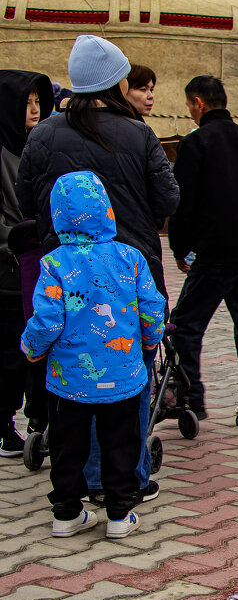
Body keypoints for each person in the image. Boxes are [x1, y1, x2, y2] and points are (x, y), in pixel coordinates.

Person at [17, 34, 178, 502]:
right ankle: (127, 481)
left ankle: (81, 479)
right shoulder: (140, 134)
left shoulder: (43, 134)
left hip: (63, 279)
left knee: (72, 374)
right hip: (133, 272)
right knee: (130, 375)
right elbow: (168, 199)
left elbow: (29, 201)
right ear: (116, 82)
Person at [20, 172, 165, 538]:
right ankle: (119, 513)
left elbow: (48, 319)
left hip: (69, 380)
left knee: (69, 445)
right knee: (122, 441)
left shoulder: (54, 263)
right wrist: (151, 340)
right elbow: (151, 306)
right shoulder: (130, 257)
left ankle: (67, 513)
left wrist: (32, 349)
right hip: (124, 375)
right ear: (107, 209)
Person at [168, 76, 238, 428]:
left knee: (185, 326)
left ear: (198, 103)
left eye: (189, 106)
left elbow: (183, 204)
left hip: (212, 255)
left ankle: (190, 398)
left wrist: (181, 247)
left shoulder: (195, 144)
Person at [0, 69, 52, 457]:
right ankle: (5, 426)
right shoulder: (2, 152)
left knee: (40, 349)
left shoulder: (40, 146)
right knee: (10, 356)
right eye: (27, 102)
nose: (33, 110)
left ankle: (38, 422)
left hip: (41, 265)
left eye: (38, 102)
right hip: (9, 270)